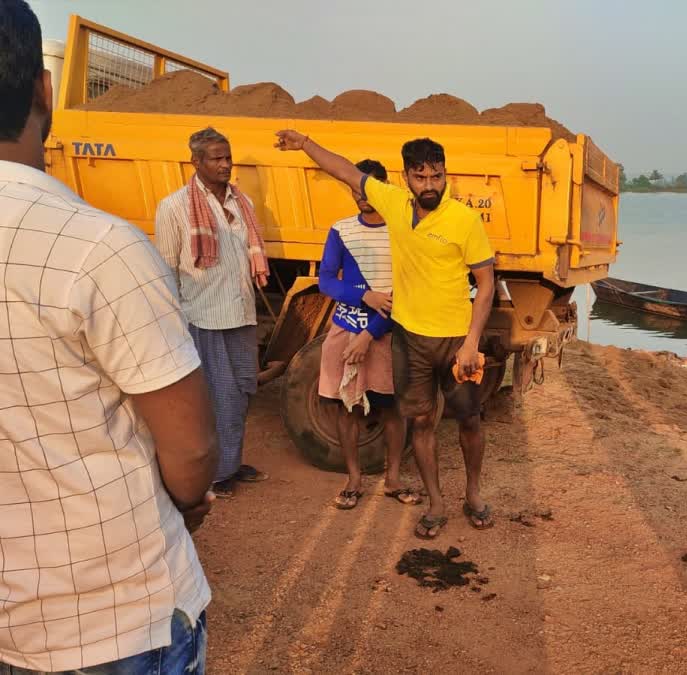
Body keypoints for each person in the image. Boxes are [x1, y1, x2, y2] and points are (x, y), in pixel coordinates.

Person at [0, 1, 217, 671]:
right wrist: (190, 494)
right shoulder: (100, 246)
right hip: (119, 618)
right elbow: (191, 448)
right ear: (44, 90)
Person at [274, 130, 496, 539]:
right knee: (422, 422)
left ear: (446, 175)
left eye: (437, 176)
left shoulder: (464, 220)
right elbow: (343, 170)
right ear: (405, 177)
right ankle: (436, 503)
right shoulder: (392, 203)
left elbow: (485, 285)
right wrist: (305, 143)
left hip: (455, 341)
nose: (429, 185)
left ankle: (474, 495)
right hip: (410, 339)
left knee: (469, 418)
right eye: (420, 177)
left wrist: (471, 343)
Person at [155, 126, 270, 498]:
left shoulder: (243, 203)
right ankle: (217, 474)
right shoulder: (174, 207)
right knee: (218, 395)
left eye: (228, 156)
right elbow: (166, 269)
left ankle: (231, 462)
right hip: (203, 314)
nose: (225, 164)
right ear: (197, 162)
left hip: (241, 312)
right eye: (217, 158)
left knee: (243, 389)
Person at [317, 158, 419, 509]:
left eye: (368, 187)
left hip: (386, 333)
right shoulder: (341, 229)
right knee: (349, 409)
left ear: (383, 187)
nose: (361, 195)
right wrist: (364, 297)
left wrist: (369, 333)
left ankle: (392, 480)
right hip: (345, 328)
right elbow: (326, 280)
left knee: (392, 409)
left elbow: (407, 290)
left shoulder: (401, 229)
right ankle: (354, 479)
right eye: (355, 188)